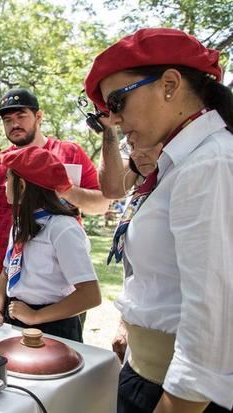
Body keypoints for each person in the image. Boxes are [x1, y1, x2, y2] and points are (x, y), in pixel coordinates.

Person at [84, 28, 233, 413]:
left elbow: (212, 319)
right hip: (147, 374)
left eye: (118, 101)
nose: (114, 120)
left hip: (180, 395)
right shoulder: (181, 164)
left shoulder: (210, 162)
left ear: (169, 84)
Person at [0, 88, 108, 310]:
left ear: (38, 116)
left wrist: (66, 189)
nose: (14, 124)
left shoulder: (70, 152)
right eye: (7, 120)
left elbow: (102, 205)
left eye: (21, 116)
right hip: (7, 276)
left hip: (59, 283)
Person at [0, 146, 101, 342]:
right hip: (19, 318)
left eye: (8, 179)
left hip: (55, 326)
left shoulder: (62, 229)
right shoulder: (20, 224)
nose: (4, 185)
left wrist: (36, 317)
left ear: (22, 187)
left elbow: (91, 295)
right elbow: (6, 271)